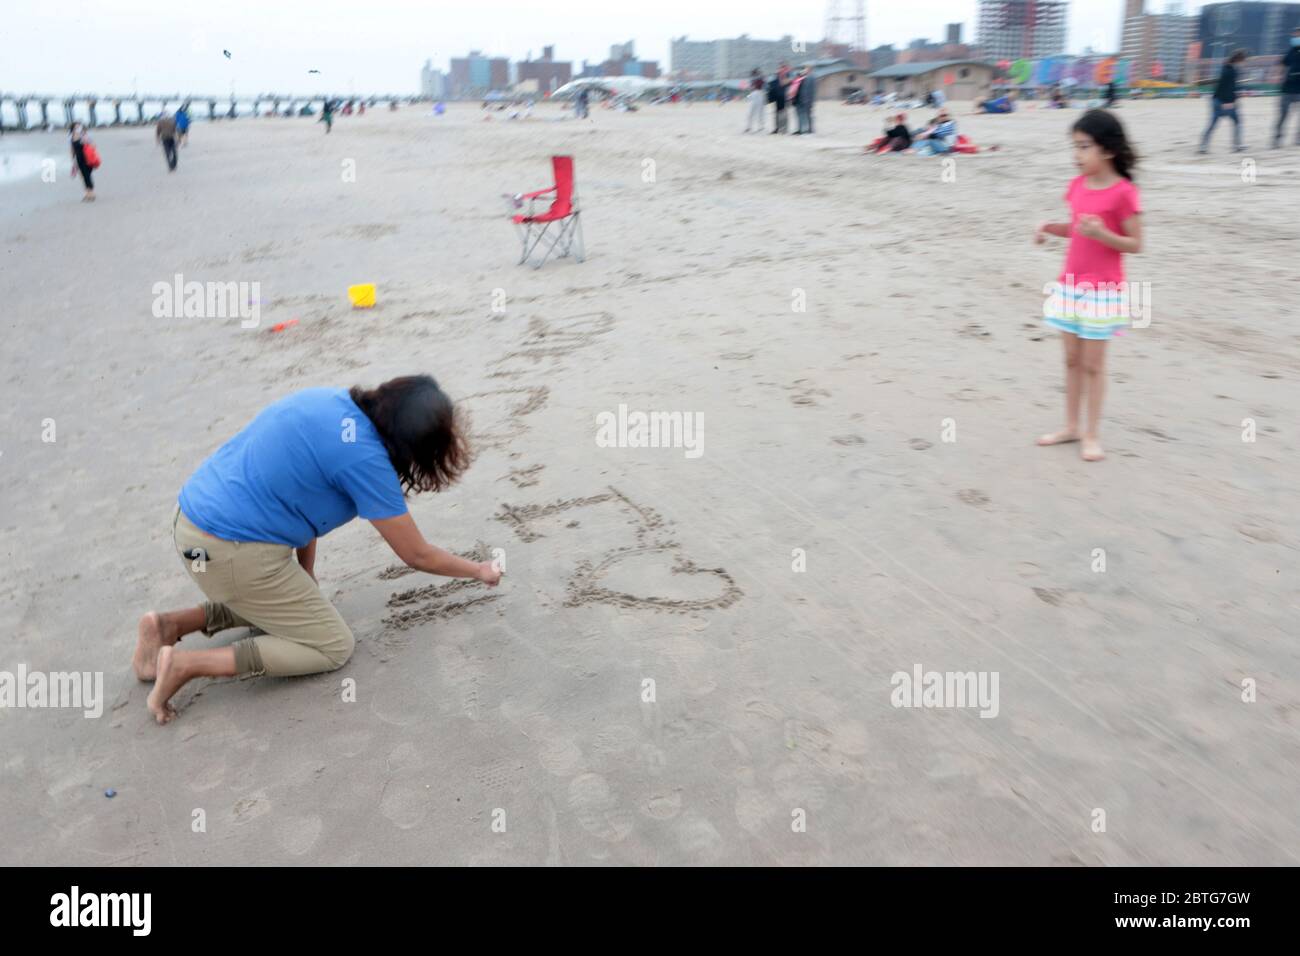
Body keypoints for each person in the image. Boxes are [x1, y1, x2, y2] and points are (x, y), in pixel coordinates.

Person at [134, 376, 503, 725]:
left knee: (281, 599)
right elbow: (416, 554)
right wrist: (478, 571)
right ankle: (188, 665)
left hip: (193, 527)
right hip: (226, 549)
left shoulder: (330, 403)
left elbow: (300, 500)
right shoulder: (367, 461)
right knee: (331, 645)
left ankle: (168, 624)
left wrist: (304, 574)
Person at [1034, 110, 1143, 463]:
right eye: (1074, 147)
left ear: (1108, 150)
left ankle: (1092, 434)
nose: (1076, 155)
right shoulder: (1077, 186)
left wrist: (1103, 234)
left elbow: (1136, 244)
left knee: (1094, 366)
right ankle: (1070, 427)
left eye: (1084, 147)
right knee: (1070, 360)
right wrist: (1049, 228)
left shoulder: (1123, 193)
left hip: (1103, 290)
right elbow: (1076, 228)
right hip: (1069, 285)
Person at [1199, 49, 1248, 154]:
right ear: (1239, 60)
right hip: (1225, 102)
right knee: (1237, 122)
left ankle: (1203, 146)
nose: (1243, 64)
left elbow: (1223, 86)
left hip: (1217, 100)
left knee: (1212, 125)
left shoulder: (1225, 68)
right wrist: (1229, 101)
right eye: (1243, 61)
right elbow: (1228, 88)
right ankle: (1237, 145)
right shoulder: (1232, 71)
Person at [1273, 27, 1300, 148]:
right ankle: (1277, 138)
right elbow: (1282, 64)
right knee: (1283, 115)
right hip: (1287, 89)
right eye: (1295, 35)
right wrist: (1278, 75)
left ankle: (1298, 139)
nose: (1295, 37)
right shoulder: (1290, 51)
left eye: (1298, 35)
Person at [69, 122, 95, 202]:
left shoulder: (83, 135)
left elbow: (93, 145)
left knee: (87, 175)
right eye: (76, 127)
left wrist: (84, 139)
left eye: (78, 127)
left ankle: (91, 194)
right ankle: (88, 193)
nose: (77, 129)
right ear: (72, 129)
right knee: (83, 176)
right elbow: (72, 149)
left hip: (87, 158)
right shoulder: (71, 137)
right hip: (78, 159)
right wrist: (72, 160)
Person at [794, 66, 817, 134]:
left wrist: (807, 99)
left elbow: (809, 90)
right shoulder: (806, 77)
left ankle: (809, 130)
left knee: (808, 115)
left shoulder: (811, 77)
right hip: (804, 99)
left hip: (807, 99)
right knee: (805, 115)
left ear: (809, 70)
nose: (804, 71)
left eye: (806, 69)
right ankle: (805, 129)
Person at [743, 68, 766, 133]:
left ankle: (756, 126)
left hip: (758, 93)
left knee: (755, 111)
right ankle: (756, 126)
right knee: (756, 111)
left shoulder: (758, 78)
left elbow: (756, 86)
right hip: (757, 93)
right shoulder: (757, 78)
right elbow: (752, 87)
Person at [767, 67, 788, 134]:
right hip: (777, 100)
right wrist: (770, 100)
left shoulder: (786, 81)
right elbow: (771, 90)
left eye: (782, 73)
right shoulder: (774, 81)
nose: (780, 74)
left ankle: (784, 129)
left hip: (784, 101)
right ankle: (777, 128)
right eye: (779, 73)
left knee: (783, 116)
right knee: (776, 116)